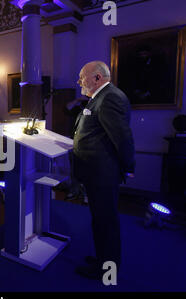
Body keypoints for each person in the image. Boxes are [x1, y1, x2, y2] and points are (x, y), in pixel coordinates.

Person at [73, 61, 135, 280]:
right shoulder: (99, 97)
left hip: (103, 174)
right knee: (100, 220)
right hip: (95, 172)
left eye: (82, 77)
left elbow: (122, 137)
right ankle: (103, 259)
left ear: (97, 77)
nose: (79, 81)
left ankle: (106, 269)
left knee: (105, 222)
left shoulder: (110, 97)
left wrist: (129, 167)